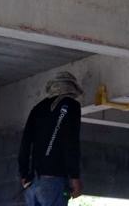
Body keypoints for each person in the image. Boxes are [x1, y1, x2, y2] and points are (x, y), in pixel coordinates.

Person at [18, 71, 84, 205]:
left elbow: (25, 142)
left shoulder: (37, 108)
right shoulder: (71, 105)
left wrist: (24, 173)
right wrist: (74, 176)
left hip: (33, 182)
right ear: (72, 88)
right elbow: (71, 142)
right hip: (54, 182)